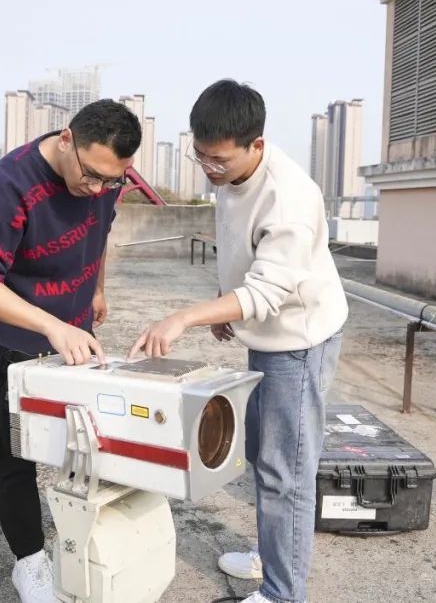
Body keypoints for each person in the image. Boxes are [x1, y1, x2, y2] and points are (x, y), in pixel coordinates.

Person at [128, 79, 347, 603]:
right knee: (262, 454)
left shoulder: (289, 195)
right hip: (264, 330)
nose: (209, 170)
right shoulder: (229, 174)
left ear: (257, 145)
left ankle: (281, 592)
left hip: (299, 339)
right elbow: (241, 252)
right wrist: (226, 301)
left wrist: (188, 317)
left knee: (285, 471)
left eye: (219, 161)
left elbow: (272, 287)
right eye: (200, 156)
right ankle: (272, 555)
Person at [0, 99, 141, 603]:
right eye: (93, 176)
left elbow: (100, 231)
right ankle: (30, 563)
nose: (99, 189)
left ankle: (84, 546)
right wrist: (50, 326)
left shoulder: (106, 177)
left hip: (77, 339)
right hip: (20, 343)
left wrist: (97, 289)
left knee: (87, 447)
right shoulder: (10, 184)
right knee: (15, 454)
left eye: (112, 180)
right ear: (66, 139)